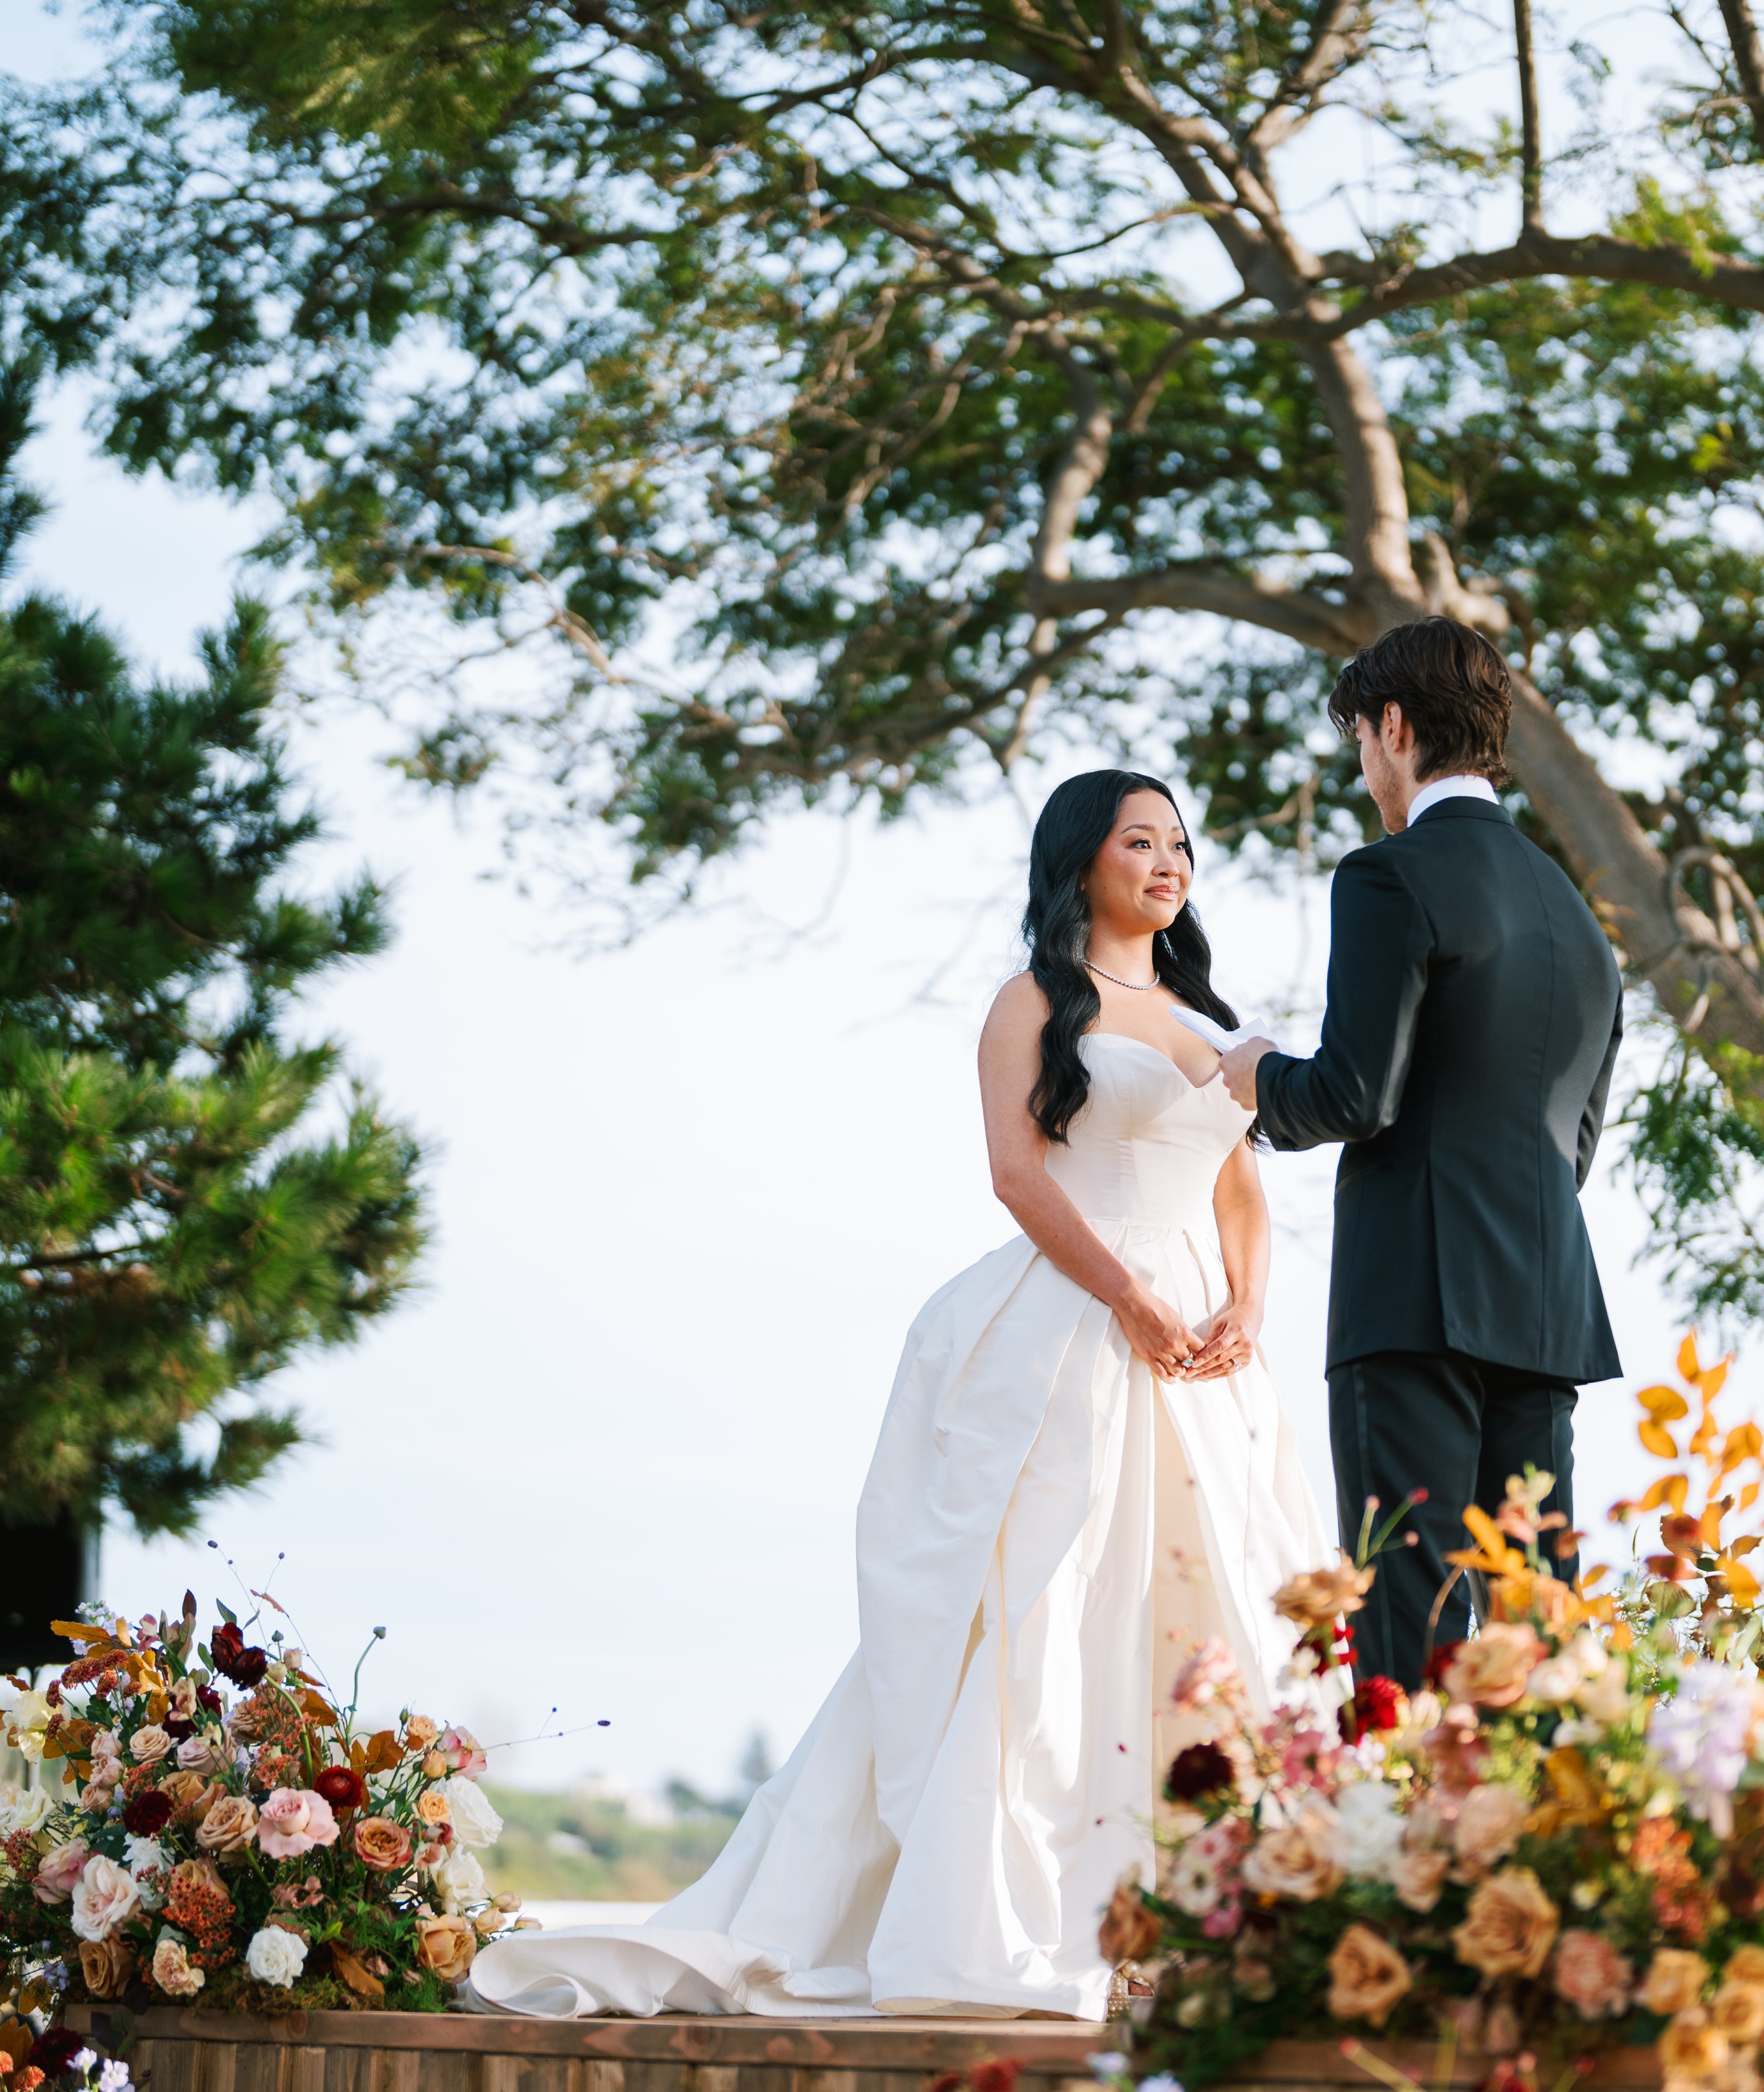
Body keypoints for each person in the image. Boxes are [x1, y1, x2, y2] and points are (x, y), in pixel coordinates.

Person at [470, 771, 1329, 2021]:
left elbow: (1242, 1190)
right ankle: (1004, 1909)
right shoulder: (1033, 1001)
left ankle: (1197, 1912)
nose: (1168, 860)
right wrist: (1128, 1301)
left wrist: (1242, 1312)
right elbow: (1018, 1178)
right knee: (1041, 1602)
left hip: (1203, 1355)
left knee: (1206, 1614)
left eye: (1179, 842)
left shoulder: (1211, 1018)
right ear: (1080, 861)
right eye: (1138, 840)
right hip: (1081, 1326)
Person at [1211, 618, 1623, 1690]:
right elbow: (1572, 1143)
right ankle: (1541, 1841)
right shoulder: (1580, 921)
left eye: (1360, 741)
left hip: (1414, 1303)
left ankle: (1410, 1849)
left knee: (1411, 1613)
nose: (1363, 769)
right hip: (1544, 1307)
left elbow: (1351, 1093)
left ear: (1393, 727)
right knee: (1537, 1624)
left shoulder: (1390, 876)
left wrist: (1253, 1073)